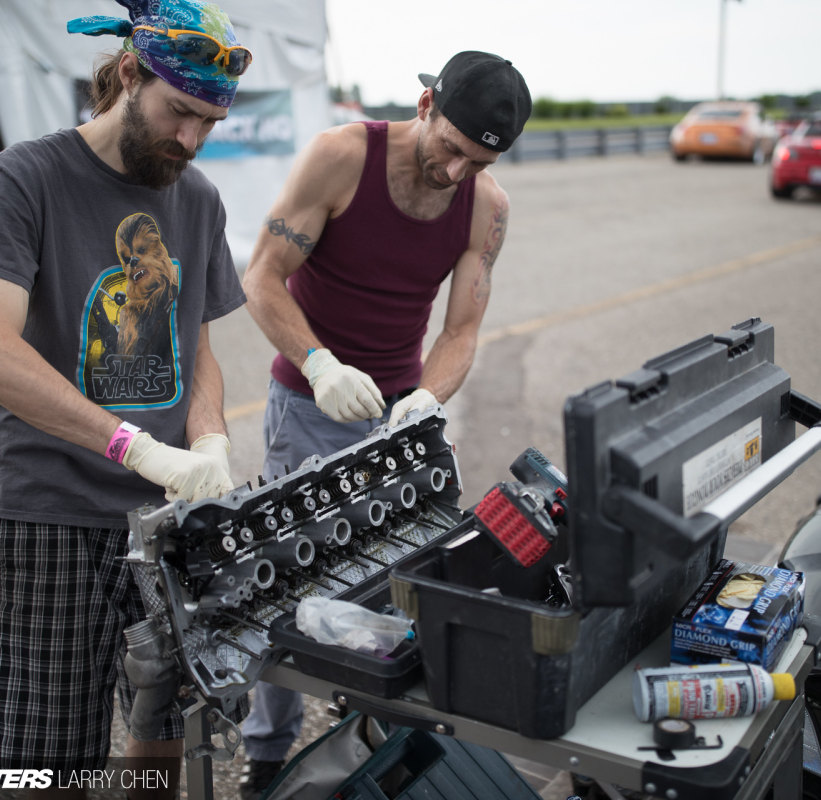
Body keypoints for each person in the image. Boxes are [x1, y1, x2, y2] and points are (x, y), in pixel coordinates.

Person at [0, 0, 250, 794]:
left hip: (165, 516)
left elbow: (199, 349)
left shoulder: (198, 199)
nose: (190, 139)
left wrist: (211, 438)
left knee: (167, 718)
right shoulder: (24, 178)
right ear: (129, 75)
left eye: (209, 123)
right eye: (179, 112)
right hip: (51, 509)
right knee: (44, 748)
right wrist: (131, 444)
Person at [237, 50, 531, 798]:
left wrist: (427, 399)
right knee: (288, 585)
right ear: (427, 103)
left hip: (400, 420)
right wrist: (321, 365)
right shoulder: (342, 158)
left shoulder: (485, 207)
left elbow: (462, 330)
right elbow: (262, 277)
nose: (457, 171)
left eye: (481, 160)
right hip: (311, 405)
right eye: (453, 149)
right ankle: (265, 755)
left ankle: (376, 741)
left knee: (398, 587)